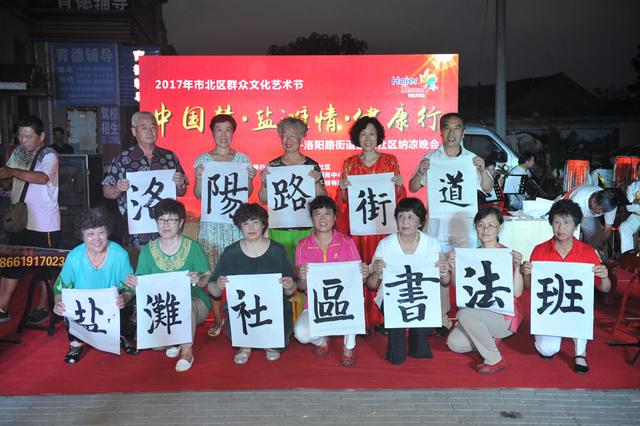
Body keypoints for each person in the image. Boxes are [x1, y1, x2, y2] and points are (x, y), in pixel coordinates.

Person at [408, 112, 492, 332]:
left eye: (457, 128)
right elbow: (413, 187)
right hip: (438, 229)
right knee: (440, 272)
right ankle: (442, 318)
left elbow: (487, 188)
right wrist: (421, 172)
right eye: (447, 128)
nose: (452, 133)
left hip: (465, 229)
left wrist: (483, 170)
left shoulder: (472, 159)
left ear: (463, 133)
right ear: (441, 131)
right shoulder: (431, 159)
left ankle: (469, 318)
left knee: (467, 274)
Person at [523, 199, 611, 373]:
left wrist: (605, 276)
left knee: (582, 308)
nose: (561, 228)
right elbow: (529, 288)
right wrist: (526, 273)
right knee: (547, 350)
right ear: (551, 224)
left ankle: (580, 352)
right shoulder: (540, 250)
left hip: (574, 308)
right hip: (550, 309)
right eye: (557, 222)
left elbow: (605, 288)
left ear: (576, 226)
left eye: (566, 223)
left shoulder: (587, 252)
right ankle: (553, 334)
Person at [335, 116, 406, 330]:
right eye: (363, 134)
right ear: (357, 137)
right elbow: (343, 201)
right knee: (360, 270)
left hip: (383, 229)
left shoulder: (390, 161)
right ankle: (361, 318)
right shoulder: (349, 164)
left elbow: (399, 198)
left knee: (384, 268)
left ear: (379, 137)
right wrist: (343, 189)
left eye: (372, 134)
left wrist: (399, 185)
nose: (367, 138)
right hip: (358, 229)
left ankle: (385, 318)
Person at [125, 199, 211, 372]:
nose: (166, 225)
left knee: (184, 306)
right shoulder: (148, 250)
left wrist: (198, 279)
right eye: (161, 220)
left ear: (181, 223)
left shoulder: (192, 247)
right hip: (161, 304)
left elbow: (207, 276)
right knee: (157, 346)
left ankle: (186, 351)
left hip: (194, 301)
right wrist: (132, 284)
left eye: (171, 220)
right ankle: (175, 341)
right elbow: (141, 280)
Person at [193, 114, 256, 338]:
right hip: (211, 224)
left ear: (233, 133)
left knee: (238, 269)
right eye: (219, 130)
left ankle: (237, 315)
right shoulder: (203, 160)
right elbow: (198, 195)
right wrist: (199, 178)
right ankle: (219, 317)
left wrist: (250, 178)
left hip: (235, 224)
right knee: (213, 272)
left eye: (228, 130)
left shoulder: (242, 159)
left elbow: (247, 193)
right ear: (212, 132)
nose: (223, 135)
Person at [366, 198, 451, 364]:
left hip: (422, 297)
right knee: (396, 357)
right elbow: (372, 285)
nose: (405, 222)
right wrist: (376, 271)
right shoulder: (386, 245)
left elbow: (445, 281)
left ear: (421, 222)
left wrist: (443, 269)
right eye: (401, 216)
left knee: (419, 350)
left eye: (410, 217)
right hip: (393, 299)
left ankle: (417, 339)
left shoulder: (431, 244)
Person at [209, 203, 295, 365]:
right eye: (245, 223)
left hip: (273, 310)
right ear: (240, 227)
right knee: (238, 322)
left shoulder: (278, 250)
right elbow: (213, 291)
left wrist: (289, 285)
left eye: (255, 222)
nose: (251, 227)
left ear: (263, 224)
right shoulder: (230, 252)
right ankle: (245, 346)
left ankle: (270, 343)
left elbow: (291, 291)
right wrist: (219, 285)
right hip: (242, 310)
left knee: (279, 342)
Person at [445, 206, 524, 374]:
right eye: (481, 225)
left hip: (503, 317)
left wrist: (517, 268)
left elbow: (517, 293)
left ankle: (495, 359)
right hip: (478, 312)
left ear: (500, 227)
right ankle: (489, 338)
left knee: (464, 314)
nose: (485, 229)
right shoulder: (471, 256)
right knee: (454, 343)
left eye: (491, 225)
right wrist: (454, 267)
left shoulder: (508, 254)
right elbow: (458, 286)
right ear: (476, 228)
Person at [52, 208, 136, 363]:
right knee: (67, 304)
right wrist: (58, 303)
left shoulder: (120, 255)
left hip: (112, 307)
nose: (97, 239)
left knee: (131, 304)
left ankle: (124, 337)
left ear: (107, 232)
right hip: (84, 309)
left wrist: (124, 297)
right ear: (82, 236)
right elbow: (60, 288)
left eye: (101, 232)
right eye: (90, 234)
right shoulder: (74, 257)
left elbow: (129, 286)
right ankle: (76, 344)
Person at [293, 196, 368, 367]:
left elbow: (357, 281)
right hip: (316, 305)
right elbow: (302, 287)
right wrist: (301, 277)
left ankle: (348, 347)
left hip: (343, 301)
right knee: (301, 334)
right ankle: (322, 339)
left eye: (327, 213)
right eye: (317, 214)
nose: (322, 218)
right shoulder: (303, 245)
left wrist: (363, 274)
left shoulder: (347, 242)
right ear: (312, 218)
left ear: (334, 217)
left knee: (355, 301)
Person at [0, 115, 60, 325]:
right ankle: (2, 307)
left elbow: (42, 178)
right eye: (20, 136)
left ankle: (43, 307)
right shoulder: (18, 153)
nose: (23, 141)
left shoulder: (49, 155)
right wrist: (5, 177)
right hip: (20, 219)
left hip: (44, 222)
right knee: (11, 263)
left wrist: (12, 171)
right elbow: (8, 183)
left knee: (45, 268)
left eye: (28, 136)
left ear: (41, 136)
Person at [102, 111, 188, 248]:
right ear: (134, 131)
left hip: (166, 226)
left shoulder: (169, 157)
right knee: (139, 260)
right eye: (144, 127)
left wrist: (180, 184)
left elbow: (181, 192)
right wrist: (118, 188)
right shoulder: (123, 158)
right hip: (135, 228)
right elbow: (107, 192)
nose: (149, 131)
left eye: (153, 127)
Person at [257, 117, 327, 261]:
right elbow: (263, 200)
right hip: (280, 228)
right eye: (285, 135)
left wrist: (316, 182)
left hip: (306, 228)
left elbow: (323, 199)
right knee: (282, 267)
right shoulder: (274, 166)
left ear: (301, 138)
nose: (288, 140)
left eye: (293, 136)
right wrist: (264, 183)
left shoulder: (311, 165)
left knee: (306, 267)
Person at [565, 185, 618, 250]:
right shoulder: (578, 200)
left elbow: (608, 228)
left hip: (586, 214)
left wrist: (600, 247)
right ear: (593, 200)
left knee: (597, 239)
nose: (600, 212)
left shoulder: (610, 206)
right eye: (599, 209)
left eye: (603, 211)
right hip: (567, 209)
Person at [620, 163, 640, 253]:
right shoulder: (632, 186)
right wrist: (634, 204)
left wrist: (636, 202)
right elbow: (629, 207)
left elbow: (633, 204)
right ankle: (627, 255)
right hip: (636, 216)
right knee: (624, 227)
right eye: (639, 170)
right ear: (637, 172)